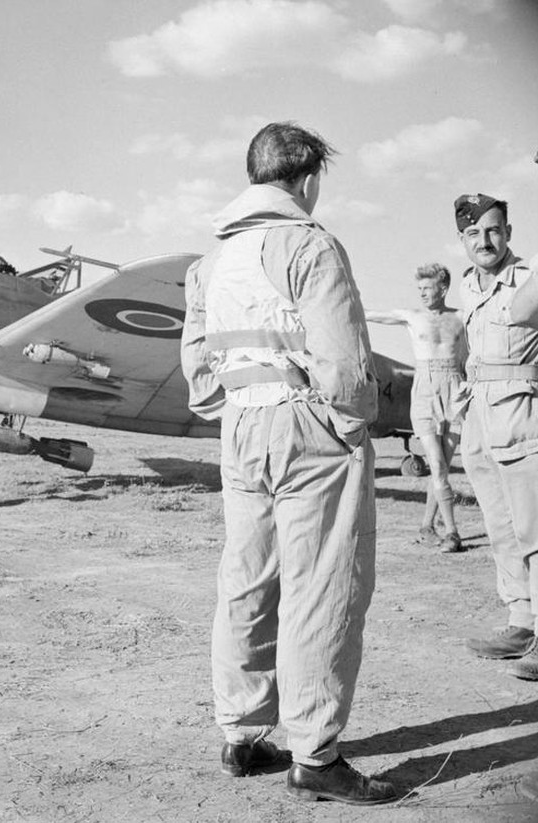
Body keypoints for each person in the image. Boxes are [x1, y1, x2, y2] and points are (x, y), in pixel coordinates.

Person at [181, 122, 397, 804]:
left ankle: (241, 735)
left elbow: (196, 370)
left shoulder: (208, 262)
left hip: (241, 426)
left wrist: (238, 403)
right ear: (305, 179)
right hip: (306, 424)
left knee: (246, 579)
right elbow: (343, 362)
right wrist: (346, 424)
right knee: (322, 586)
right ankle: (315, 754)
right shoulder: (310, 245)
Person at [455, 194, 538, 682]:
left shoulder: (528, 279)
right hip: (480, 419)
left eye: (493, 231)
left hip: (522, 414)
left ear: (508, 231)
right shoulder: (467, 285)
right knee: (501, 527)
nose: (484, 242)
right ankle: (521, 622)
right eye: (473, 234)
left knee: (535, 529)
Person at [366, 264, 468, 553]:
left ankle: (426, 526)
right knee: (435, 465)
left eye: (427, 288)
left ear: (443, 288)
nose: (422, 293)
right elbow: (369, 314)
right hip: (424, 391)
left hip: (454, 390)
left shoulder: (461, 319)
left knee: (442, 469)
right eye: (419, 289)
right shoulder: (412, 317)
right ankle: (452, 532)